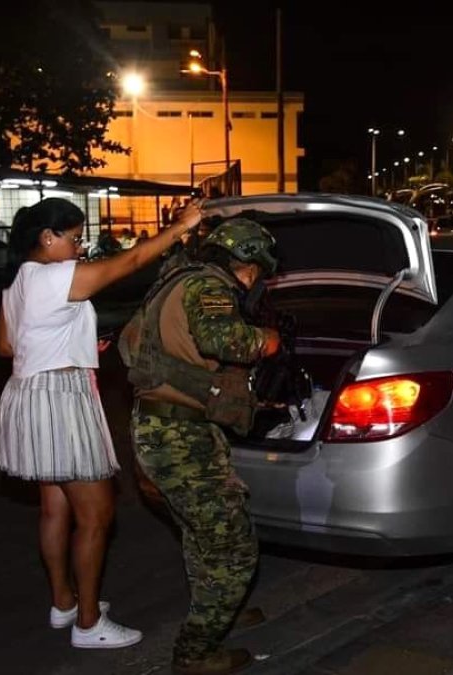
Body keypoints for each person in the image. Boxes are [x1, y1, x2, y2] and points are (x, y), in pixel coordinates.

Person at [0, 197, 203, 649]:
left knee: (54, 508)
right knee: (96, 514)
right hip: (61, 401)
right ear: (47, 238)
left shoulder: (19, 282)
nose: (80, 245)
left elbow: (6, 346)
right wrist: (180, 228)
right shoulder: (54, 276)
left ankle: (64, 603)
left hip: (27, 395)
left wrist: (64, 342)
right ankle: (89, 624)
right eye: (73, 237)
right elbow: (128, 261)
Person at [121, 218, 281, 675]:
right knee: (235, 550)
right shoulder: (209, 288)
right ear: (247, 264)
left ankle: (219, 610)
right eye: (258, 273)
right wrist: (265, 342)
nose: (257, 282)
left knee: (201, 534)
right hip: (178, 437)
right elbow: (223, 339)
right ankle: (195, 650)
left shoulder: (177, 279)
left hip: (173, 428)